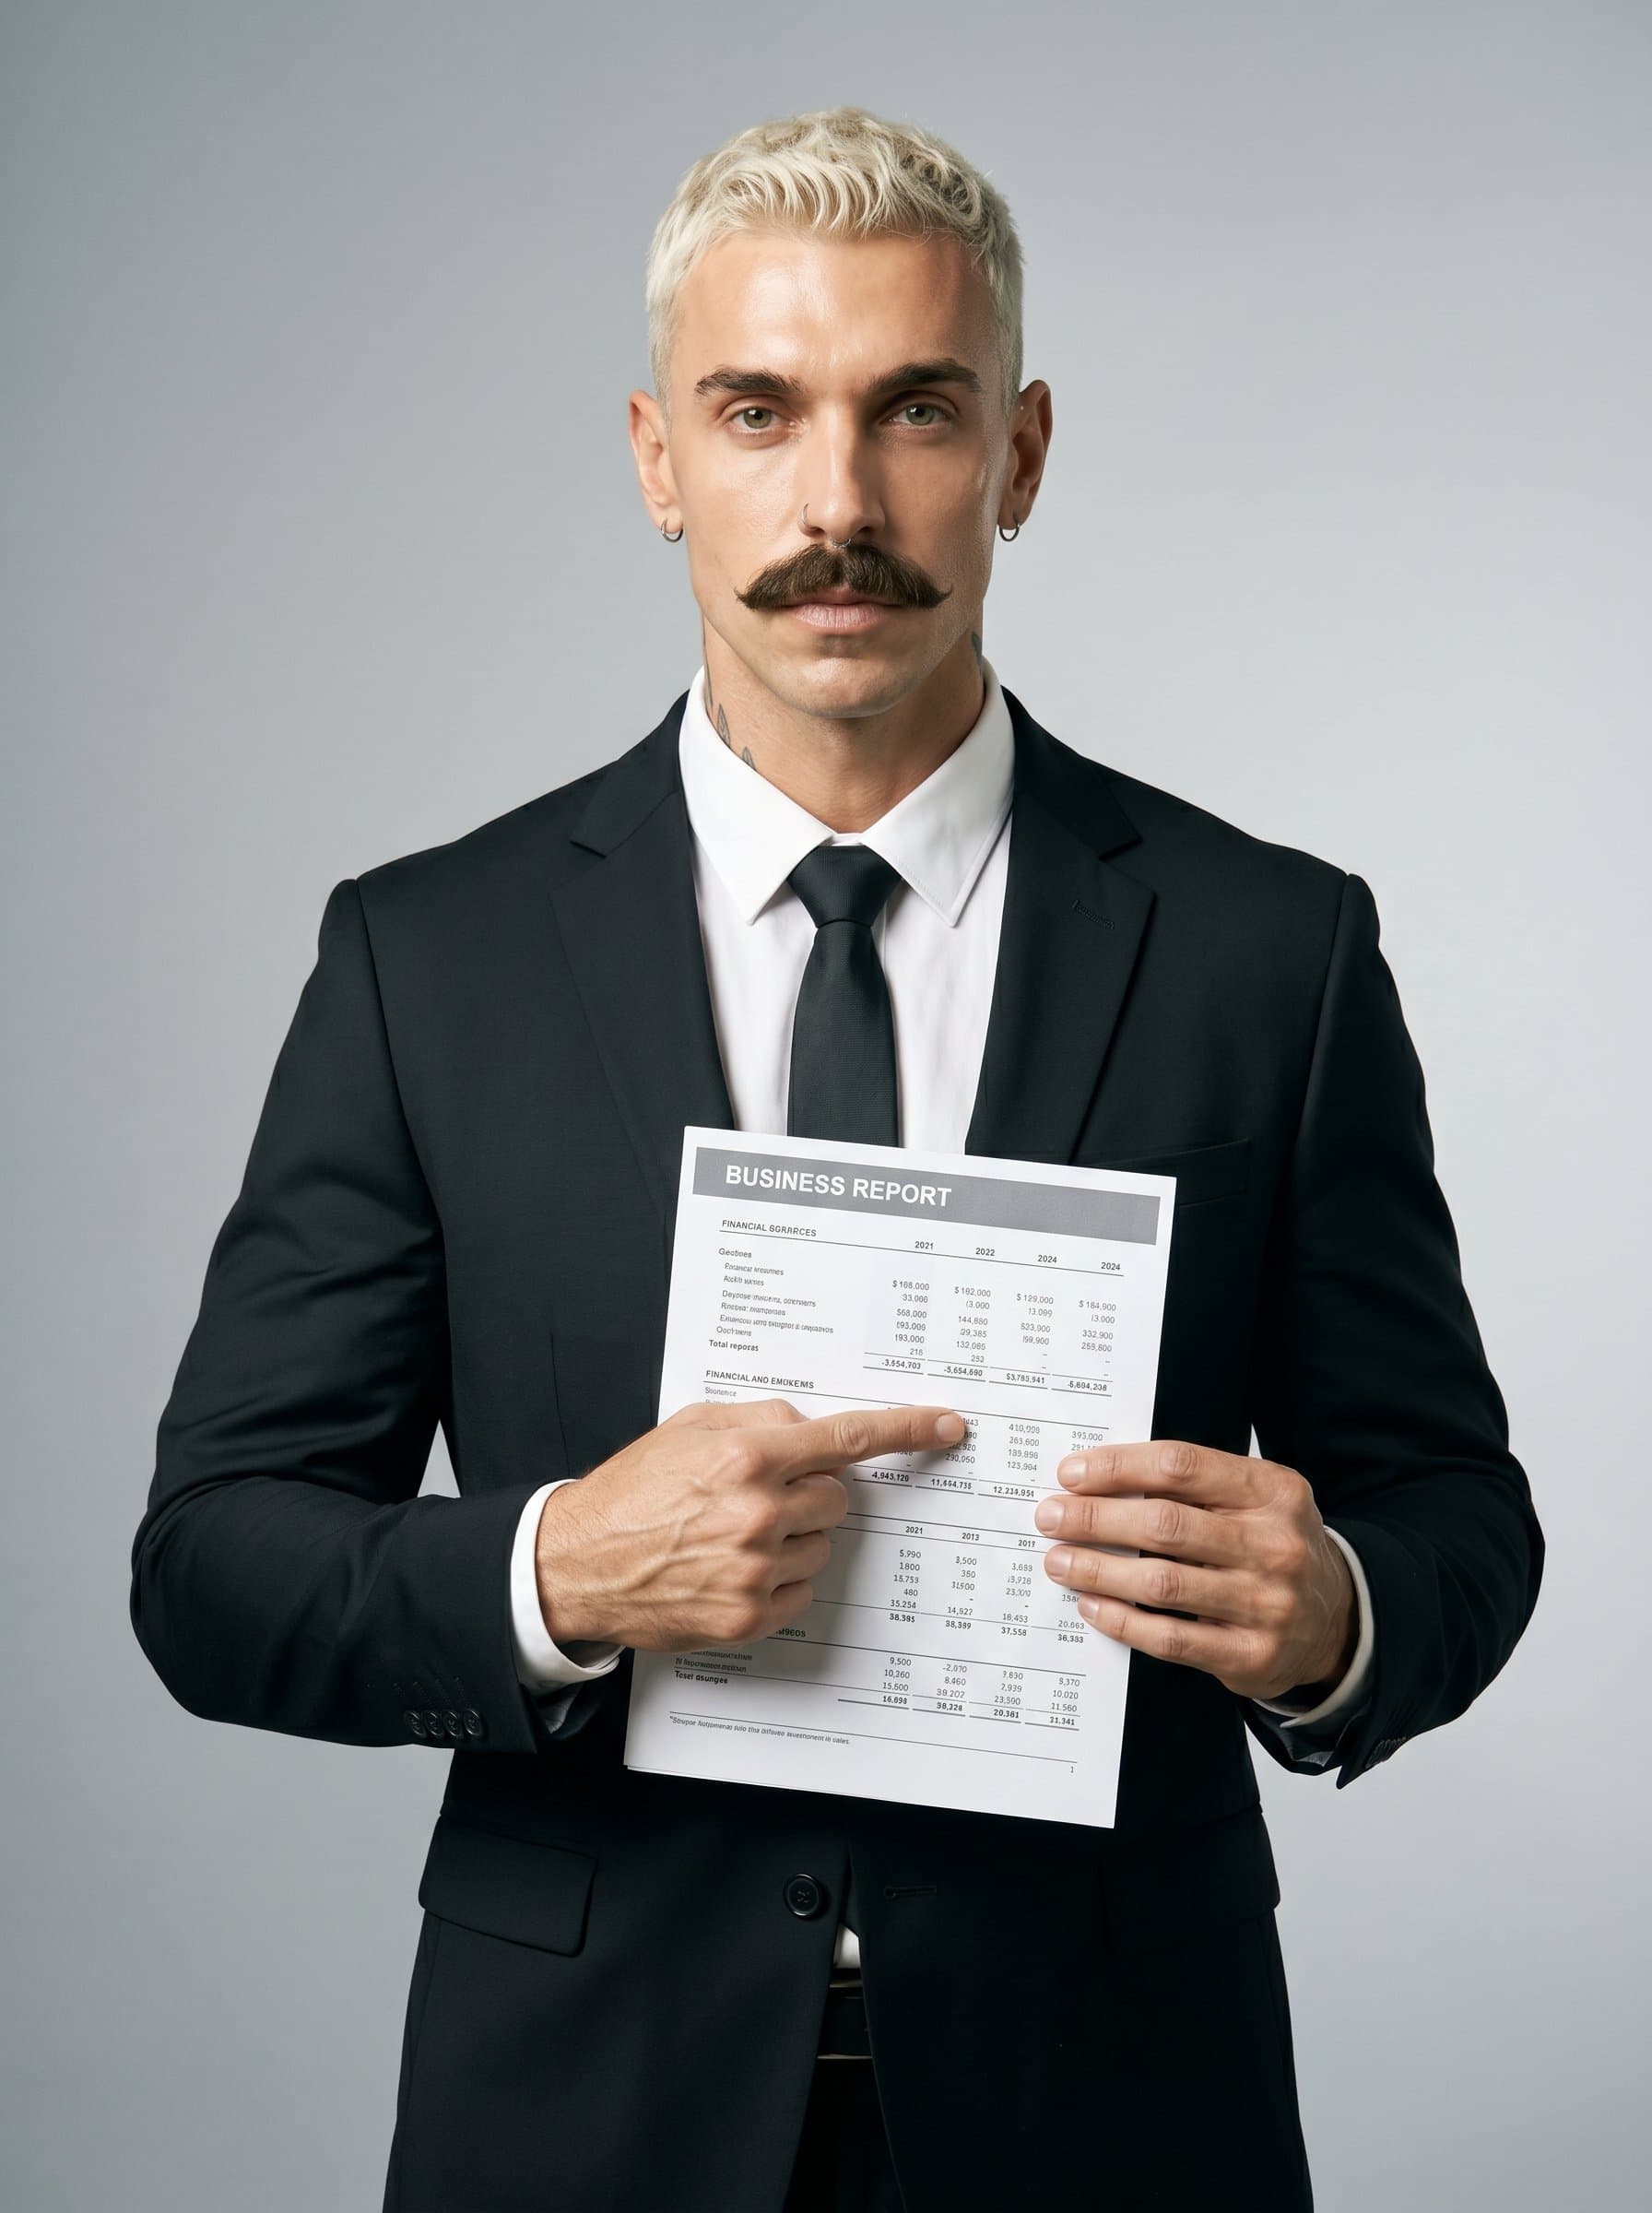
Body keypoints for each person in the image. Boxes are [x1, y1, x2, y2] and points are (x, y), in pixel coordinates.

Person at [129, 105, 1543, 2213]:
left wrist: (1326, 1609)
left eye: (915, 411)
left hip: (1115, 2105)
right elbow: (212, 1565)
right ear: (653, 458)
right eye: (757, 410)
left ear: (1022, 454)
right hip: (580, 2110)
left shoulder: (1273, 950)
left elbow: (1457, 1521)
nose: (836, 504)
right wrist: (549, 1579)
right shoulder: (427, 957)